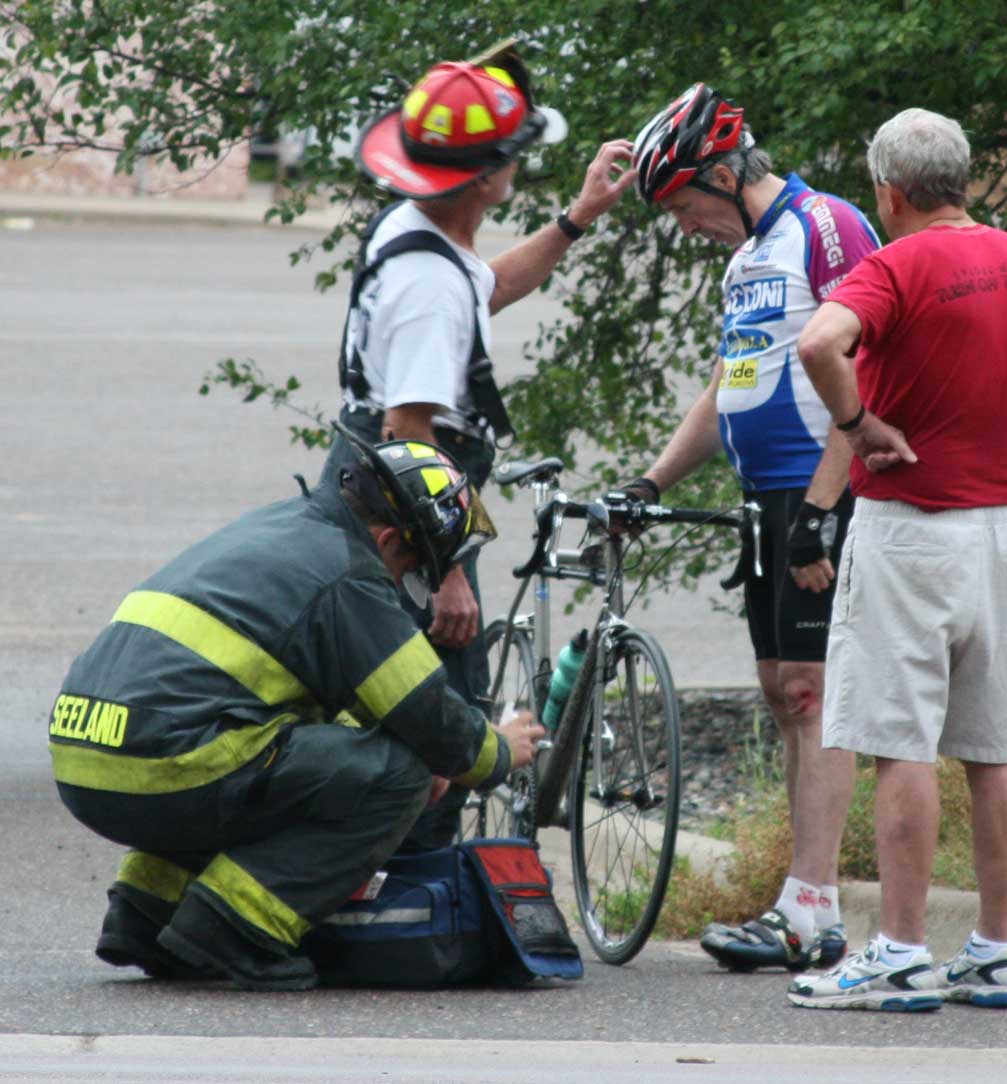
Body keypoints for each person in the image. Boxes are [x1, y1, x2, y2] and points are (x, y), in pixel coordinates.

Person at [786, 107, 1007, 1012]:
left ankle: (901, 951)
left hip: (908, 530)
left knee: (901, 742)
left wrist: (859, 423)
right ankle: (996, 950)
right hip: (997, 536)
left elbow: (819, 343)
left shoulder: (893, 265)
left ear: (889, 193)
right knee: (993, 746)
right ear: (962, 179)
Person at [50, 426, 545, 991]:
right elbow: (426, 711)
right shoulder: (350, 573)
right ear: (388, 539)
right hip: (167, 763)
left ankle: (145, 915)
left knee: (267, 754)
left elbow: (316, 699)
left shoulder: (282, 525)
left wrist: (423, 745)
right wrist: (495, 751)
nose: (406, 582)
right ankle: (239, 930)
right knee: (396, 776)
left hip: (86, 756)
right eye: (413, 567)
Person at [320, 40, 635, 849]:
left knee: (401, 713)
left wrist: (577, 218)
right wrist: (448, 571)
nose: (519, 164)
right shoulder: (428, 284)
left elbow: (483, 288)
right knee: (441, 725)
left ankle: (392, 882)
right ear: (485, 175)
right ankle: (412, 892)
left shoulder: (420, 231)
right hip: (403, 522)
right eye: (512, 154)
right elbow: (409, 432)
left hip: (374, 503)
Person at [624, 84, 881, 973]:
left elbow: (867, 365)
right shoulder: (746, 259)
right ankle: (804, 902)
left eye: (684, 204)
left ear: (726, 175)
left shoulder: (826, 226)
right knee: (782, 691)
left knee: (812, 690)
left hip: (820, 491)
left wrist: (822, 507)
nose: (683, 225)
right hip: (766, 498)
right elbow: (726, 384)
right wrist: (650, 482)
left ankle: (811, 910)